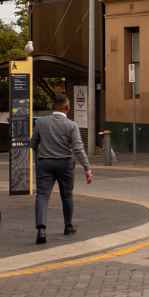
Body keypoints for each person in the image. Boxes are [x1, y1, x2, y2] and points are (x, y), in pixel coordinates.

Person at [30, 94, 93, 244]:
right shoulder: (71, 125)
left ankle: (41, 229)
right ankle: (68, 226)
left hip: (44, 163)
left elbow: (33, 143)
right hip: (65, 164)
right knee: (66, 195)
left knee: (42, 195)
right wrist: (87, 168)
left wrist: (40, 156)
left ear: (54, 106)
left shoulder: (40, 122)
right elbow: (78, 149)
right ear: (67, 108)